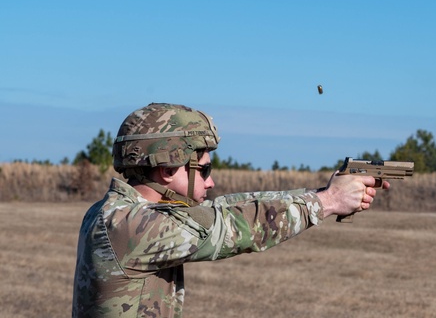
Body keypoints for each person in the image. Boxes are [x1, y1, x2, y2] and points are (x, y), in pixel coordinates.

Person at [72, 102, 388, 318]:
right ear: (168, 169)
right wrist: (328, 202)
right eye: (205, 170)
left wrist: (322, 193)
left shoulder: (111, 212)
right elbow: (232, 227)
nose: (211, 183)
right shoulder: (136, 227)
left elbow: (224, 208)